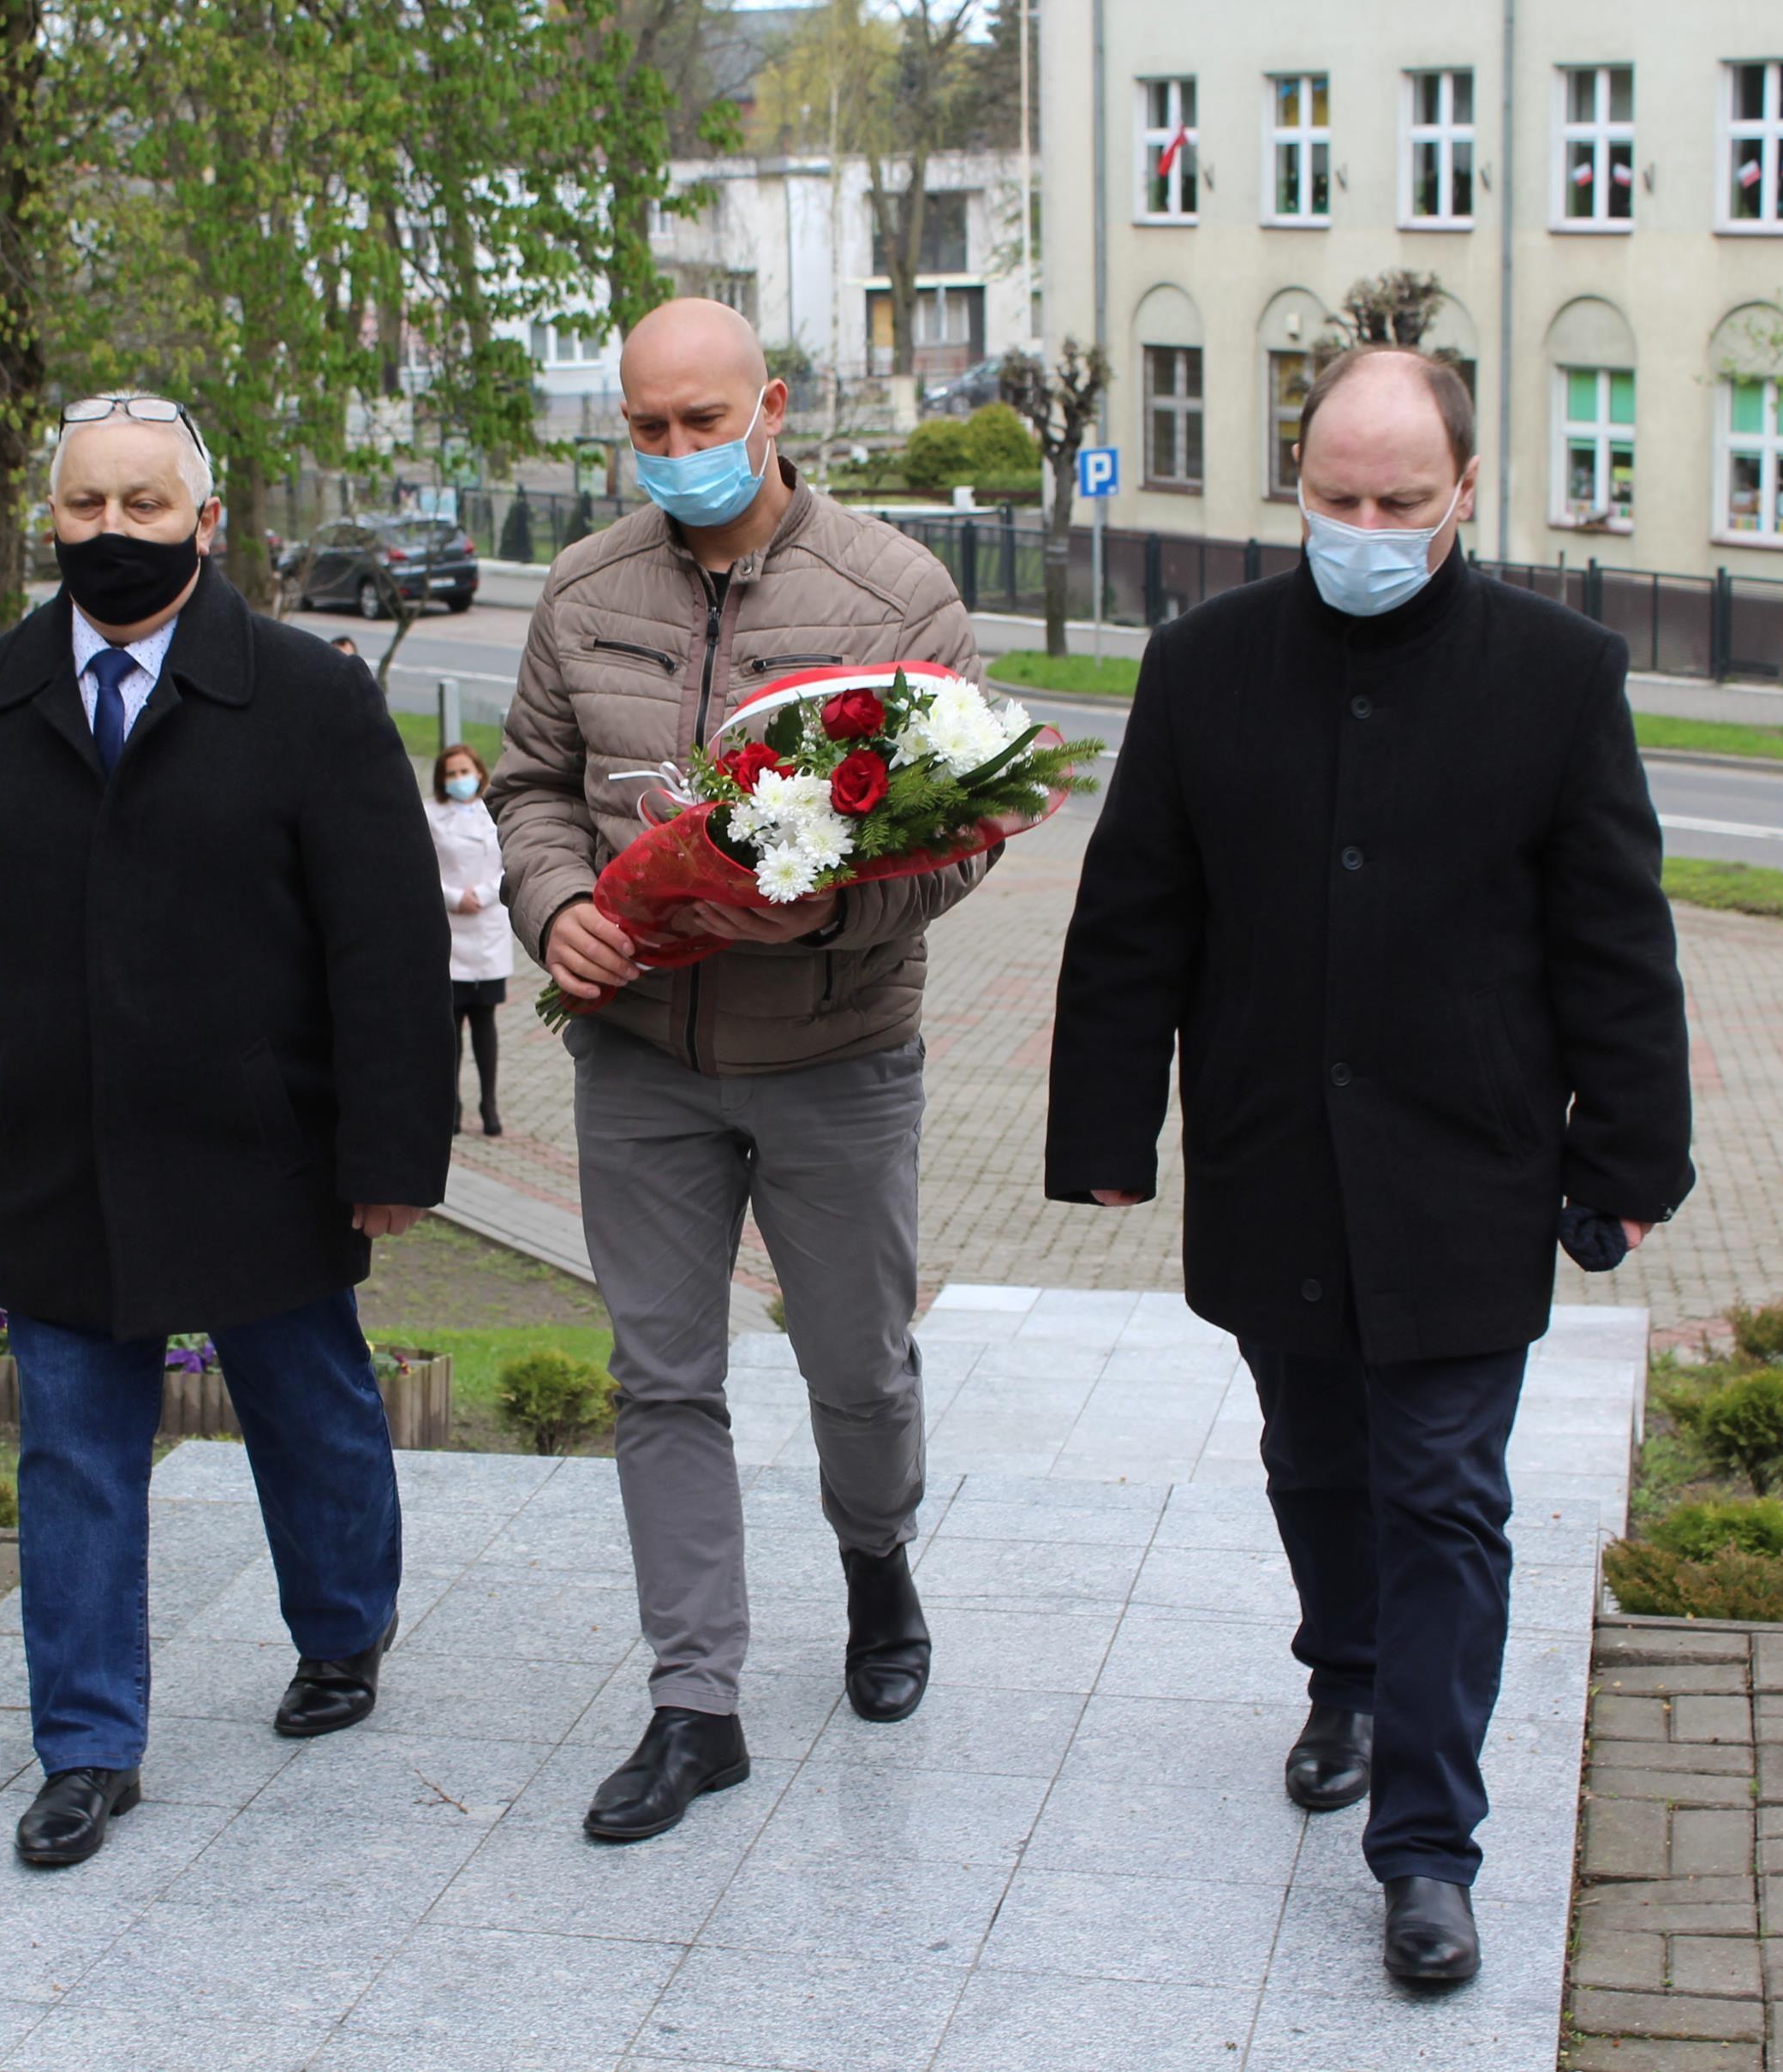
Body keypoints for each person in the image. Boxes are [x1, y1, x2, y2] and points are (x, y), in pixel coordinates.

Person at [1045, 345, 1694, 1986]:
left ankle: (1425, 1847)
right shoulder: (1202, 667)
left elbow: (1613, 937)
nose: (1362, 525)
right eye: (1333, 496)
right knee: (1311, 1458)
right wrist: (1104, 1130)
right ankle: (1340, 1671)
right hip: (1272, 1153)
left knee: (1441, 1497)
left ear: (1463, 494)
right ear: (1296, 484)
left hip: (1466, 1170)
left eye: (1398, 501)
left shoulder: (1557, 675)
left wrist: (1627, 1154)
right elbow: (1136, 916)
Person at [0, 391, 452, 1871]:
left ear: (207, 520)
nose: (110, 532)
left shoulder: (309, 702)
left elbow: (385, 944)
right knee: (70, 1450)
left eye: (142, 504)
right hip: (63, 1147)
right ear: (49, 520)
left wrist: (392, 1156)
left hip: (262, 1138)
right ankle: (84, 1742)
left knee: (309, 1411)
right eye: (85, 507)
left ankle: (340, 1626)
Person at [490, 297, 982, 1843]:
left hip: (835, 1051)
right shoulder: (581, 591)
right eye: (649, 427)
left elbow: (958, 837)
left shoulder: (892, 589)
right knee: (661, 1376)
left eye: (707, 421)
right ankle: (694, 1702)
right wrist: (555, 906)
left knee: (855, 1363)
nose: (680, 452)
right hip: (642, 1059)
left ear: (770, 405)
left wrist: (828, 897)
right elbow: (528, 788)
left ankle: (875, 1558)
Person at [430, 743, 510, 1136]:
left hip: (487, 930)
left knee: (485, 1024)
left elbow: (510, 862)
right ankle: (453, 1105)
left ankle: (489, 1104)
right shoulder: (430, 816)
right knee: (450, 1027)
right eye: (451, 773)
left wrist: (486, 894)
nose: (459, 779)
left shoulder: (496, 813)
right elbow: (423, 866)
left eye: (465, 771)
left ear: (479, 772)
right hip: (450, 930)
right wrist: (452, 897)